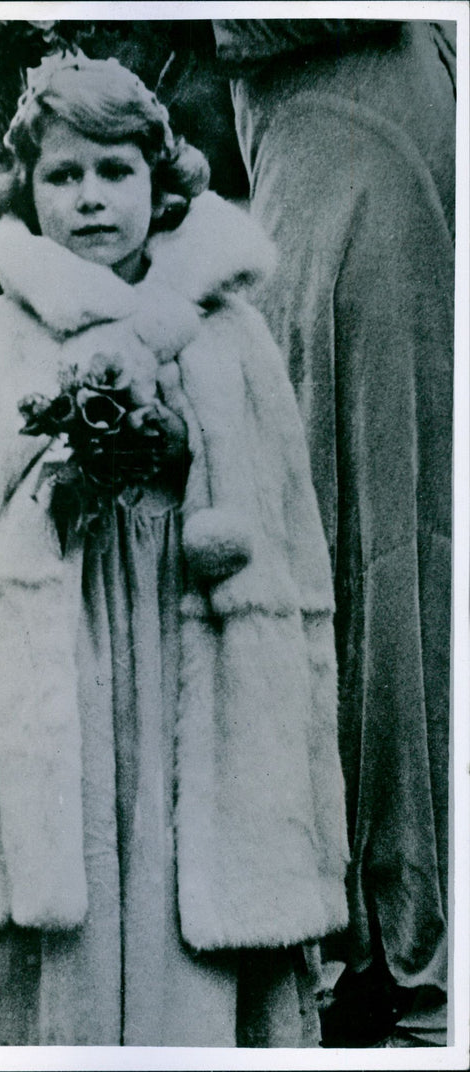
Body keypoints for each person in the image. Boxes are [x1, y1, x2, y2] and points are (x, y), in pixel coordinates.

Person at [0, 53, 349, 1047]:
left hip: (192, 675)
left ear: (159, 182)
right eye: (62, 175)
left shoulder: (232, 338)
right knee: (58, 933)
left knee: (186, 918)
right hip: (50, 690)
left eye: (113, 172)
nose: (88, 198)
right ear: (25, 189)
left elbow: (286, 559)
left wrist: (184, 461)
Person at [211, 18, 455, 1047]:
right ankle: (346, 929)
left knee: (372, 520)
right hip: (298, 133)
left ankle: (397, 951)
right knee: (313, 507)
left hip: (358, 128)